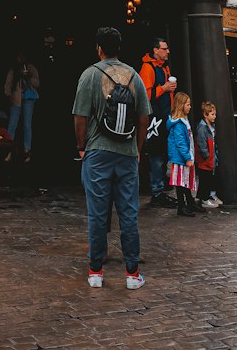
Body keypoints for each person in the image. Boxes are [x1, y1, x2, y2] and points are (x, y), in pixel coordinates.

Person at [72, 25, 150, 291]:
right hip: (127, 153)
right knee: (129, 213)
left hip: (97, 152)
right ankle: (132, 274)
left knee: (97, 213)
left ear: (99, 48)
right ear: (119, 48)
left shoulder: (90, 75)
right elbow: (143, 119)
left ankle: (96, 271)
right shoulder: (134, 76)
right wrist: (137, 150)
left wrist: (82, 147)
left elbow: (80, 117)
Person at [139, 38, 176, 206]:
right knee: (156, 154)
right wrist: (164, 88)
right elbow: (144, 95)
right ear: (155, 50)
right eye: (164, 48)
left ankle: (160, 187)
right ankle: (156, 192)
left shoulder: (164, 67)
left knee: (163, 152)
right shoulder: (148, 68)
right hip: (155, 119)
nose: (167, 51)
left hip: (165, 116)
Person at [4, 52, 41, 162]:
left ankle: (27, 150)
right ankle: (8, 150)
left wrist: (28, 76)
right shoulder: (13, 69)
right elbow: (8, 83)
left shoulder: (31, 68)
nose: (20, 58)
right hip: (16, 99)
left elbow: (37, 83)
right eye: (19, 56)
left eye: (22, 56)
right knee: (12, 125)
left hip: (29, 98)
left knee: (27, 125)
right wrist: (8, 95)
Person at [167, 92, 199, 216]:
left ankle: (189, 202)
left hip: (184, 157)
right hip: (181, 158)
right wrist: (187, 157)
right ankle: (182, 206)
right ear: (181, 106)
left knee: (184, 181)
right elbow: (180, 143)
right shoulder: (179, 124)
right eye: (188, 104)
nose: (190, 107)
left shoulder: (183, 121)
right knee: (181, 182)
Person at [195, 100, 220, 208]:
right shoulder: (202, 128)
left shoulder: (210, 127)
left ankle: (205, 197)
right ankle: (203, 199)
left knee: (208, 179)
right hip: (205, 160)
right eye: (212, 114)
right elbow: (202, 145)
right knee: (205, 180)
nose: (214, 116)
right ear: (206, 115)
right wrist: (207, 156)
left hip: (210, 159)